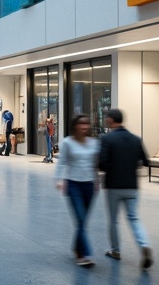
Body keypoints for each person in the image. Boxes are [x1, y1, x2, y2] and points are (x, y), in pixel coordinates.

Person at [99, 108, 153, 269]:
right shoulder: (135, 139)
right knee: (134, 218)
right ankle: (144, 245)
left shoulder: (107, 139)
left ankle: (115, 251)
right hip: (132, 186)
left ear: (110, 120)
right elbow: (146, 161)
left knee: (114, 220)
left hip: (113, 186)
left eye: (106, 118)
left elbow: (102, 163)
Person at [55, 114, 100, 267]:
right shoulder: (68, 142)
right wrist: (59, 179)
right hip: (73, 184)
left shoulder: (94, 143)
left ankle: (76, 247)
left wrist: (97, 179)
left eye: (87, 124)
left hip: (89, 185)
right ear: (75, 126)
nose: (84, 127)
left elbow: (95, 164)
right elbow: (61, 163)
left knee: (83, 221)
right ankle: (85, 254)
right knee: (80, 219)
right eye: (81, 124)